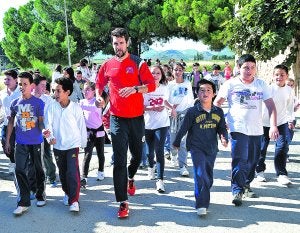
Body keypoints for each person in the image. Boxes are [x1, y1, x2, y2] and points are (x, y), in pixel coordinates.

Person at [95, 27, 155, 218]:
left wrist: (136, 89)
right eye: (115, 43)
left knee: (137, 156)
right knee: (119, 160)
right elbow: (99, 83)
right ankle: (122, 202)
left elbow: (152, 85)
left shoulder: (138, 63)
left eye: (121, 43)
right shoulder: (107, 64)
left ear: (127, 43)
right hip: (117, 119)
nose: (118, 47)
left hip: (137, 119)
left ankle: (130, 177)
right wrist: (99, 97)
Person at [213, 54, 278, 207]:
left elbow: (271, 106)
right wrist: (221, 123)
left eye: (252, 67)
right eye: (245, 68)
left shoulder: (261, 85)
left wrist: (273, 125)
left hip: (256, 129)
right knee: (240, 159)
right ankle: (237, 190)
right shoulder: (230, 84)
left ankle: (246, 184)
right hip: (238, 128)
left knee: (253, 160)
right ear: (238, 68)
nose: (249, 71)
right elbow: (217, 104)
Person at [173, 79, 228, 216]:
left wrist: (223, 137)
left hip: (211, 148)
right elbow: (183, 128)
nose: (205, 92)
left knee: (208, 176)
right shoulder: (192, 111)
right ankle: (201, 204)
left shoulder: (219, 111)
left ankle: (204, 192)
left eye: (209, 90)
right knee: (200, 173)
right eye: (202, 90)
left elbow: (222, 128)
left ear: (214, 94)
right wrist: (177, 142)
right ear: (197, 93)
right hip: (196, 147)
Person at [5, 71, 46, 216]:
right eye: (20, 84)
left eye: (25, 84)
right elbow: (11, 122)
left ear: (31, 85)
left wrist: (45, 130)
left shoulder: (38, 102)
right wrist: (8, 141)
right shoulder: (14, 103)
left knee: (38, 169)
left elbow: (41, 122)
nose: (22, 87)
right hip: (20, 142)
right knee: (19, 169)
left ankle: (40, 194)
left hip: (36, 141)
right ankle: (23, 201)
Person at [44, 77, 87, 213]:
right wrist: (50, 137)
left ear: (67, 92)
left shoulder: (75, 108)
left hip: (72, 145)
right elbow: (47, 124)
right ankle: (67, 193)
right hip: (58, 146)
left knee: (72, 172)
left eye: (58, 91)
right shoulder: (51, 106)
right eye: (54, 90)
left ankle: (74, 201)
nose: (55, 94)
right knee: (62, 173)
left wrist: (83, 143)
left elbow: (81, 126)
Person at [256, 65, 294, 185]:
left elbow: (290, 107)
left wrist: (290, 120)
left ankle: (281, 174)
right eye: (277, 74)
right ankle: (260, 171)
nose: (279, 77)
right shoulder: (268, 89)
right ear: (273, 76)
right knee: (262, 148)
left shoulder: (289, 90)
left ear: (287, 76)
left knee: (282, 147)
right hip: (264, 123)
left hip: (281, 123)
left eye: (282, 74)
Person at [144, 65, 172, 192]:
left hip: (162, 123)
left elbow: (165, 101)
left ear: (162, 75)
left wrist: (171, 107)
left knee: (159, 150)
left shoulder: (165, 88)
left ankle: (160, 180)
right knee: (150, 152)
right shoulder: (144, 89)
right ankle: (151, 167)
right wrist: (153, 108)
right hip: (148, 124)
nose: (155, 75)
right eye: (152, 73)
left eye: (157, 73)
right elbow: (140, 107)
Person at [168, 62, 194, 177]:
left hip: (185, 114)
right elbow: (166, 100)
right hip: (173, 115)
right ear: (172, 71)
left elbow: (190, 99)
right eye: (175, 70)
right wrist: (170, 109)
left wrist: (190, 113)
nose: (178, 72)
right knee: (174, 138)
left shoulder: (187, 84)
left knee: (183, 140)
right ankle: (173, 154)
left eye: (180, 70)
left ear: (183, 71)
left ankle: (183, 165)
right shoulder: (169, 85)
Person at [32, 74, 57, 188]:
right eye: (42, 85)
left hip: (44, 131)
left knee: (46, 154)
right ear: (34, 85)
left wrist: (49, 132)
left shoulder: (48, 100)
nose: (44, 88)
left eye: (45, 85)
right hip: (30, 133)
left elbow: (52, 116)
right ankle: (34, 181)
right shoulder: (28, 98)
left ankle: (51, 177)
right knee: (33, 158)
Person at [79, 82, 105, 187]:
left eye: (88, 89)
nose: (85, 92)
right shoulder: (82, 102)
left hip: (99, 132)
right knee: (87, 154)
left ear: (94, 91)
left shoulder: (97, 101)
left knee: (100, 153)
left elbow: (93, 108)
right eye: (84, 89)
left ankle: (101, 171)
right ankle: (84, 177)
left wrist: (80, 105)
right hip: (88, 132)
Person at [0, 69, 21, 174]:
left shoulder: (20, 92)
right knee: (5, 144)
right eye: (5, 79)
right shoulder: (2, 93)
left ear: (16, 80)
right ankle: (13, 160)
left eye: (8, 79)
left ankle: (17, 163)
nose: (6, 81)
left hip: (18, 125)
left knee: (16, 146)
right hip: (5, 124)